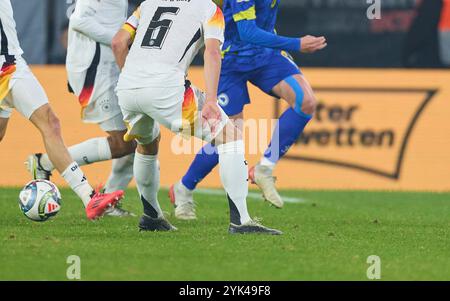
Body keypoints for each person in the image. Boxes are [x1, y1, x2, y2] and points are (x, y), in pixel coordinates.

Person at [112, 0, 281, 234]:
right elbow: (212, 52)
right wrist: (211, 100)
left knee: (147, 145)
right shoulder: (209, 9)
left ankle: (151, 216)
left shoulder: (148, 4)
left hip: (128, 86)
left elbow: (118, 42)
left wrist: (131, 79)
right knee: (230, 136)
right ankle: (241, 222)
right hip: (166, 86)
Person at [170, 0, 326, 220]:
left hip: (266, 55)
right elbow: (247, 32)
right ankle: (183, 189)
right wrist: (296, 43)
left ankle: (264, 168)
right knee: (229, 135)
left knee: (306, 101)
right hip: (231, 59)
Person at [0, 0, 124, 220]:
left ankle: (86, 195)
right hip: (7, 66)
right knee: (50, 123)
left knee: (43, 124)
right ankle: (89, 197)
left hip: (11, 61)